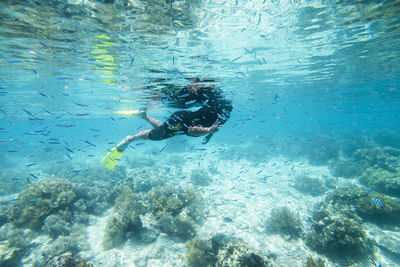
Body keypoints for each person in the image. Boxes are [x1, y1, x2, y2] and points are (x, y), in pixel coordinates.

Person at [116, 78, 232, 152]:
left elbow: (215, 125)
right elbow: (192, 130)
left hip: (182, 120)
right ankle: (131, 138)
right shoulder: (224, 111)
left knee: (165, 130)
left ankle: (144, 116)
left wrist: (209, 134)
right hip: (181, 120)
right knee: (160, 134)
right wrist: (208, 132)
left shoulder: (225, 111)